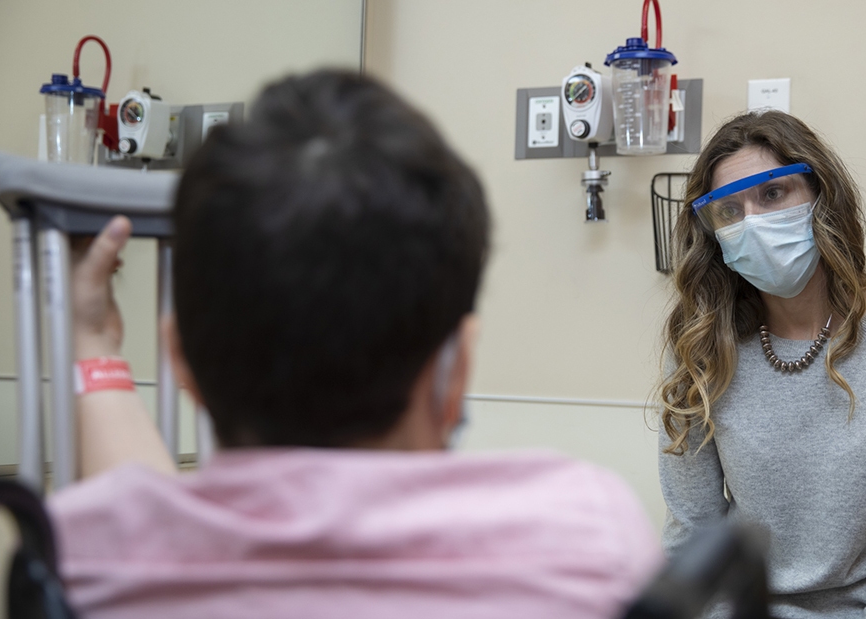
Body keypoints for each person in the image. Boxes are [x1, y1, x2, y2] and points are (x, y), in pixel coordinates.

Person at [49, 69, 662, 619]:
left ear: (180, 363)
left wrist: (92, 343)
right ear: (458, 369)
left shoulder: (83, 560)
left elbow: (140, 527)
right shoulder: (584, 542)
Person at [657, 111, 866, 618]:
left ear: (821, 196)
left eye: (772, 194)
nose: (754, 223)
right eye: (729, 210)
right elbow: (693, 544)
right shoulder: (702, 351)